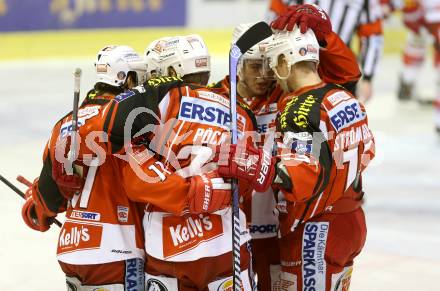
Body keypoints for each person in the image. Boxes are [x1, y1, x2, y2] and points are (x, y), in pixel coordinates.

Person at [217, 25, 376, 290]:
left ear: (281, 62)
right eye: (256, 66)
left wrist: (258, 165)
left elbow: (302, 176)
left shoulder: (290, 99)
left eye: (269, 66)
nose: (265, 76)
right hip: (239, 227)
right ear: (238, 66)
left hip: (294, 225)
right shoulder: (216, 98)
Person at [135, 33, 263, 290]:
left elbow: (134, 169)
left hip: (169, 245)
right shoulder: (239, 112)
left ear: (172, 70)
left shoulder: (162, 100)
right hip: (227, 243)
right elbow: (246, 185)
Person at [270, 0, 385, 102]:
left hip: (340, 67)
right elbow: (274, 22)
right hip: (297, 64)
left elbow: (372, 35)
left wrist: (368, 78)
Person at [396, 0, 440, 133]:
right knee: (416, 41)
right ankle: (407, 79)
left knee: (416, 42)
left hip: (426, 16)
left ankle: (407, 80)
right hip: (424, 16)